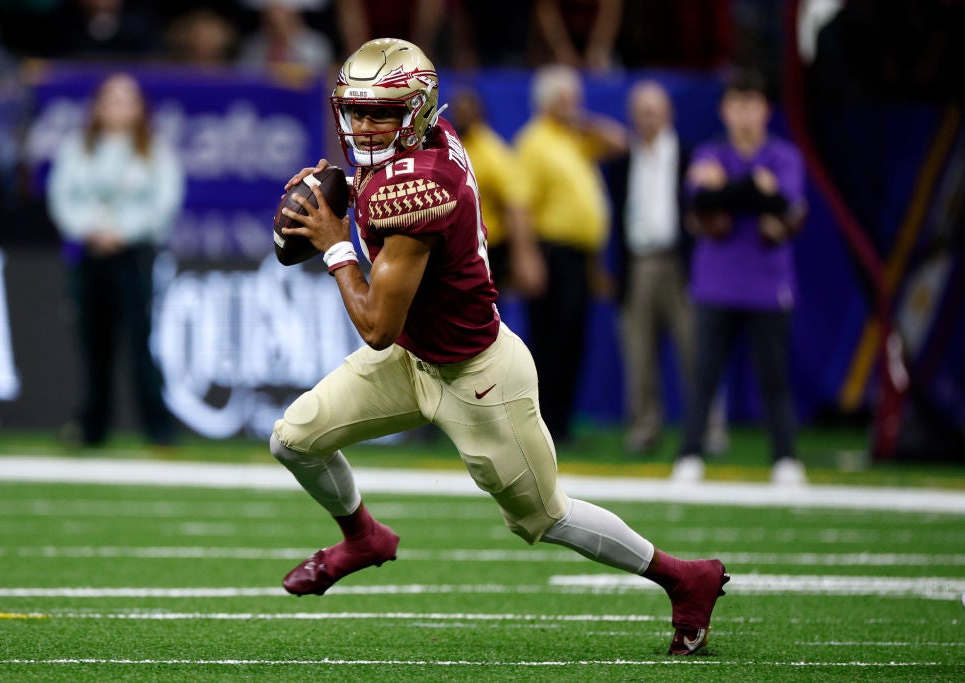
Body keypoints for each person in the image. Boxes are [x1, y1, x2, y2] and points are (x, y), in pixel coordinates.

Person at [272, 37, 729, 656]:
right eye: (356, 111)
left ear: (417, 111)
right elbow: (388, 196)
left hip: (476, 376)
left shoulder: (420, 187)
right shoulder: (427, 139)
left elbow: (376, 325)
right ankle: (363, 538)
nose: (365, 126)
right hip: (413, 357)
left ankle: (684, 578)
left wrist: (334, 244)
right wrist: (347, 192)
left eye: (382, 112)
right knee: (294, 438)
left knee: (545, 517)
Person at [672, 71, 807, 486]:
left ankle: (785, 458)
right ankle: (690, 454)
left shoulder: (784, 156)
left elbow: (785, 205)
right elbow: (699, 201)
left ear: (766, 111)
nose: (745, 115)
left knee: (774, 375)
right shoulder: (709, 152)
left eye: (752, 106)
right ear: (724, 111)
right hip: (716, 283)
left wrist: (727, 191)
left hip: (768, 284)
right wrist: (752, 188)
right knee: (705, 373)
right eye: (737, 106)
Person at [47, 72, 183, 448]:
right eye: (111, 99)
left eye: (127, 100)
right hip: (90, 254)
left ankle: (158, 426)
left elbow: (165, 201)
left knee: (139, 340)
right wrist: (88, 229)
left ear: (140, 108)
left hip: (133, 255)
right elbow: (61, 196)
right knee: (93, 342)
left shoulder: (154, 150)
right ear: (98, 106)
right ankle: (92, 426)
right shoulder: (78, 147)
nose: (118, 107)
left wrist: (124, 232)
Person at [604, 80, 728, 455]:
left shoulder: (691, 158)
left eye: (654, 109)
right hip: (638, 263)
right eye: (641, 110)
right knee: (638, 353)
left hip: (681, 262)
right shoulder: (621, 161)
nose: (648, 117)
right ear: (632, 116)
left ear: (669, 113)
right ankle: (644, 428)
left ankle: (709, 429)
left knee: (696, 349)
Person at [514, 64, 627, 442]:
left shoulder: (576, 138)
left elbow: (619, 142)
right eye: (568, 98)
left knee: (573, 339)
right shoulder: (534, 142)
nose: (576, 104)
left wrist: (580, 120)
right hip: (551, 253)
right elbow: (521, 205)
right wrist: (527, 257)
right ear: (549, 101)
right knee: (550, 339)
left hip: (579, 257)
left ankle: (560, 423)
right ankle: (542, 423)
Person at [448, 88, 545, 298]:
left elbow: (516, 205)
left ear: (479, 114)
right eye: (458, 111)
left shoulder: (492, 153)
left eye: (466, 112)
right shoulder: (453, 147)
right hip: (455, 248)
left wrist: (523, 256)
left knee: (480, 308)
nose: (461, 116)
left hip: (486, 250)